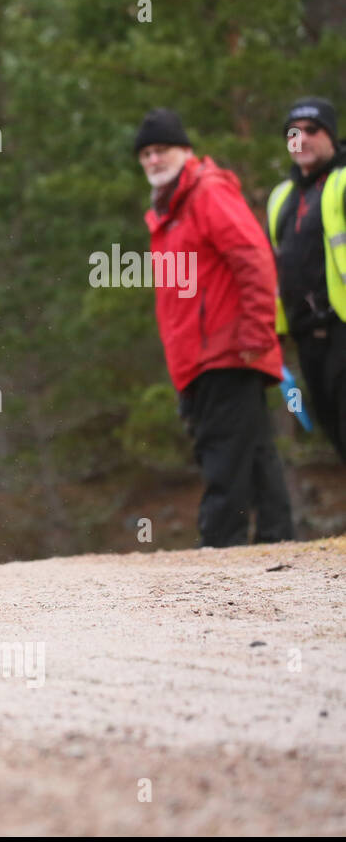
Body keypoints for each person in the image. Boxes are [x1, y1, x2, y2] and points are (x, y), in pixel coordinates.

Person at [135, 108, 294, 547]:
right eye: (145, 153)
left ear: (185, 150)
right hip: (201, 361)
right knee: (256, 456)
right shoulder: (169, 211)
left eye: (161, 149)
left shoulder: (207, 193)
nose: (152, 159)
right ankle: (280, 543)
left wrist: (258, 334)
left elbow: (255, 258)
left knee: (222, 460)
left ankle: (219, 553)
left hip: (227, 353)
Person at [266, 97, 346, 462]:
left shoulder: (343, 182)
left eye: (312, 130)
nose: (302, 139)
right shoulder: (281, 197)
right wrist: (275, 333)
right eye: (293, 133)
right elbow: (273, 268)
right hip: (307, 340)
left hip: (341, 329)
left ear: (331, 135)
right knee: (336, 436)